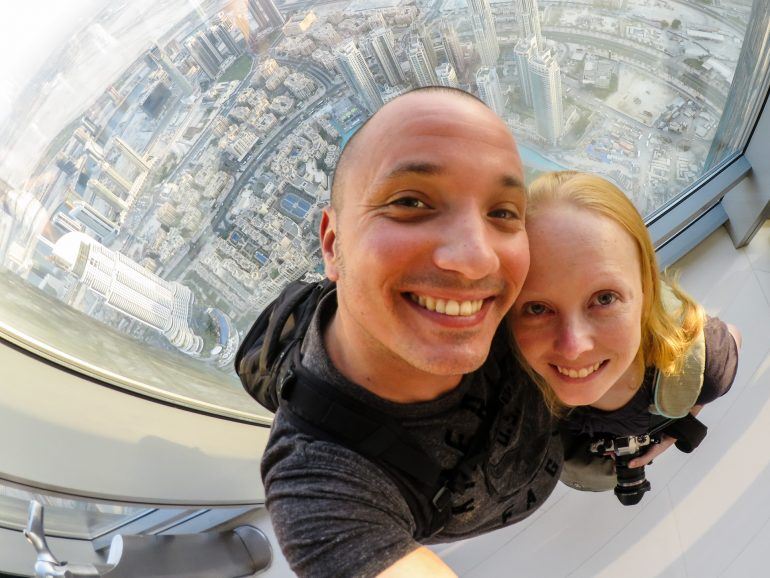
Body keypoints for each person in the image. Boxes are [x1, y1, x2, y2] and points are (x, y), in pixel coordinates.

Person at [260, 88, 563, 577]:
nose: (475, 258)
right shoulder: (320, 476)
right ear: (334, 245)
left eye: (503, 212)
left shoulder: (529, 293)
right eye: (410, 201)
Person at [509, 170, 740, 493]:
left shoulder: (701, 362)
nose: (573, 347)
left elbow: (731, 339)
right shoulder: (501, 372)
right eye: (536, 308)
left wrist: (680, 423)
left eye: (604, 298)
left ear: (646, 291)